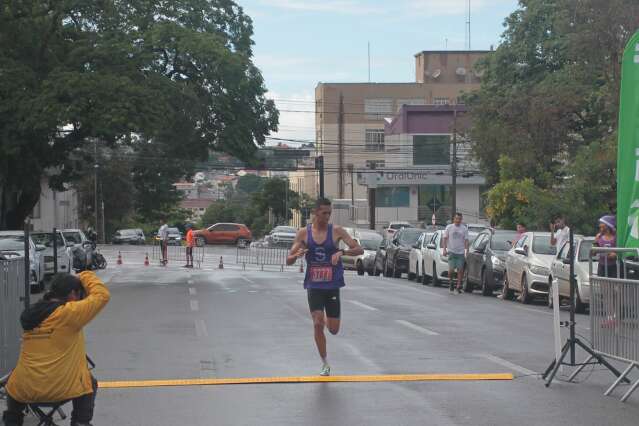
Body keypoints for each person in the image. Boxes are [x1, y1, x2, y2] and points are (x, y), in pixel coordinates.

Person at [2, 272, 110, 426]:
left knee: (14, 381)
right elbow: (102, 295)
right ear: (73, 294)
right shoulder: (69, 313)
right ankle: (80, 422)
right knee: (89, 382)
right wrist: (84, 275)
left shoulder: (32, 314)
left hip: (25, 388)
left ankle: (12, 421)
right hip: (61, 387)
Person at [287, 198, 363, 376]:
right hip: (314, 285)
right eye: (324, 213)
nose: (327, 217)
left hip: (332, 285)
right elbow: (288, 260)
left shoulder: (336, 231)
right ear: (315, 213)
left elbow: (359, 249)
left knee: (334, 329)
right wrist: (297, 254)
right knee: (317, 323)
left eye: (329, 213)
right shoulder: (304, 234)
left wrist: (342, 251)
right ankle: (325, 363)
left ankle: (328, 320)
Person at [442, 212, 469, 294]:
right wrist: (444, 249)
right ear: (454, 219)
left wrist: (466, 250)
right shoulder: (449, 227)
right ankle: (451, 282)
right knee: (451, 271)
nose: (458, 220)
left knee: (460, 270)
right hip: (451, 252)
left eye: (459, 219)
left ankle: (458, 286)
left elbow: (466, 240)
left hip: (460, 252)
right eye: (456, 218)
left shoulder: (464, 229)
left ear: (461, 220)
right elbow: (445, 238)